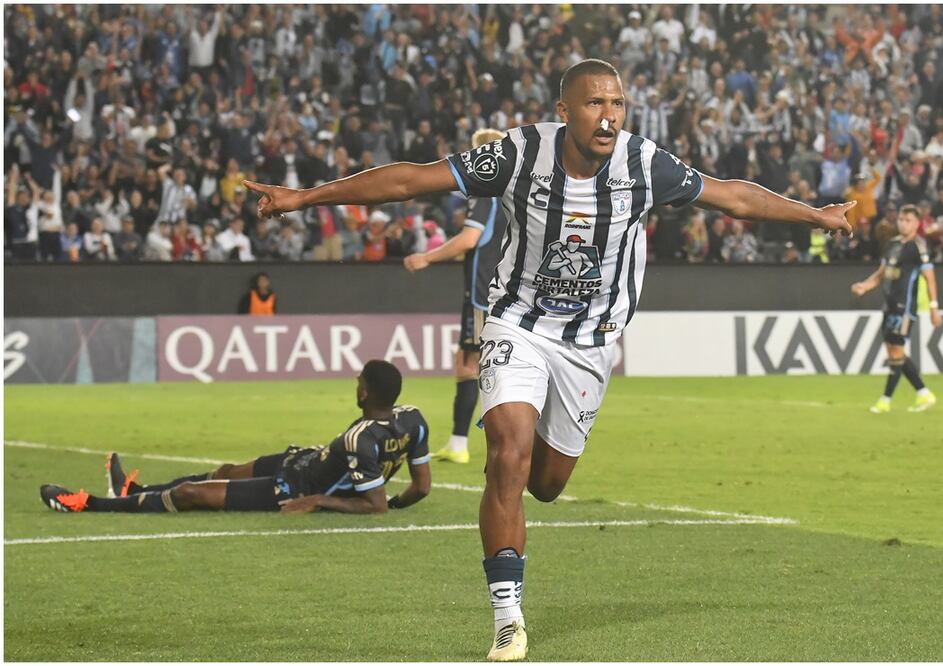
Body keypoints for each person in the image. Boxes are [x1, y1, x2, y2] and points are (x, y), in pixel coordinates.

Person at [243, 58, 853, 662]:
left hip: (592, 343)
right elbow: (410, 181)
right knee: (507, 456)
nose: (608, 116)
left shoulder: (645, 163)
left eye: (616, 104)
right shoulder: (515, 156)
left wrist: (815, 215)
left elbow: (733, 199)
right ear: (564, 112)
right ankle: (508, 619)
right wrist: (304, 198)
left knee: (548, 483)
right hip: (518, 325)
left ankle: (522, 506)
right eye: (594, 104)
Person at [41, 361, 431, 515]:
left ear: (364, 393)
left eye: (358, 382)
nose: (355, 385)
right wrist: (401, 504)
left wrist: (317, 501)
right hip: (302, 460)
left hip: (290, 487)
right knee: (224, 470)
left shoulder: (359, 439)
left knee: (192, 494)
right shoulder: (414, 419)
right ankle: (132, 489)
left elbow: (374, 504)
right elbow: (422, 487)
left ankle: (87, 505)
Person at [404, 128, 509, 465]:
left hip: (483, 291)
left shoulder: (486, 192)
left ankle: (464, 443)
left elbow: (469, 239)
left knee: (473, 363)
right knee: (473, 361)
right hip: (504, 288)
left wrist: (426, 257)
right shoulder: (513, 192)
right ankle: (461, 442)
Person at [851, 204, 943, 414]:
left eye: (908, 220)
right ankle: (923, 393)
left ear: (917, 223)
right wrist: (865, 286)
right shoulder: (892, 244)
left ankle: (885, 400)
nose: (903, 223)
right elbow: (882, 272)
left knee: (896, 351)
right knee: (894, 352)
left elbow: (930, 279)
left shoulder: (919, 247)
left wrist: (934, 307)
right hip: (889, 305)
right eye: (901, 220)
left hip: (904, 307)